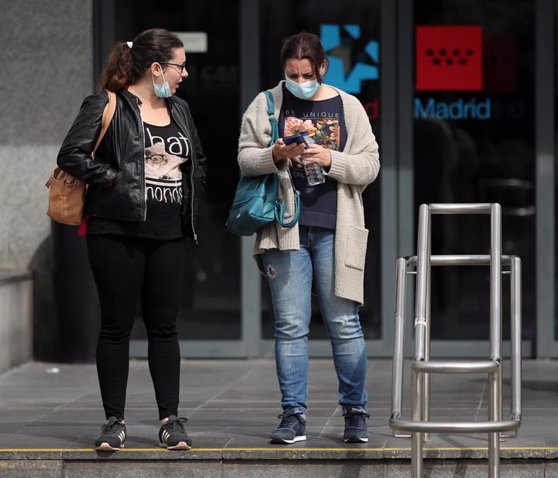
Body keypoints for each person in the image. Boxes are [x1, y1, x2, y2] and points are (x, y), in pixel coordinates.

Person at [57, 28, 206, 450]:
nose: (185, 74)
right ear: (156, 67)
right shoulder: (107, 104)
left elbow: (197, 160)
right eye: (179, 65)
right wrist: (115, 179)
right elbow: (71, 153)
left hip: (168, 232)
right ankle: (114, 421)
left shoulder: (180, 110)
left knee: (165, 327)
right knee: (116, 326)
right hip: (116, 229)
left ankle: (170, 420)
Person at [237, 31, 379, 444]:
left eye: (306, 73)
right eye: (291, 73)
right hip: (285, 228)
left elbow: (370, 165)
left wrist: (330, 158)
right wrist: (276, 155)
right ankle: (293, 415)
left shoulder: (347, 106)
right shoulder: (268, 103)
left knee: (343, 322)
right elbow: (245, 158)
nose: (299, 80)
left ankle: (355, 411)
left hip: (338, 226)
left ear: (322, 68)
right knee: (290, 325)